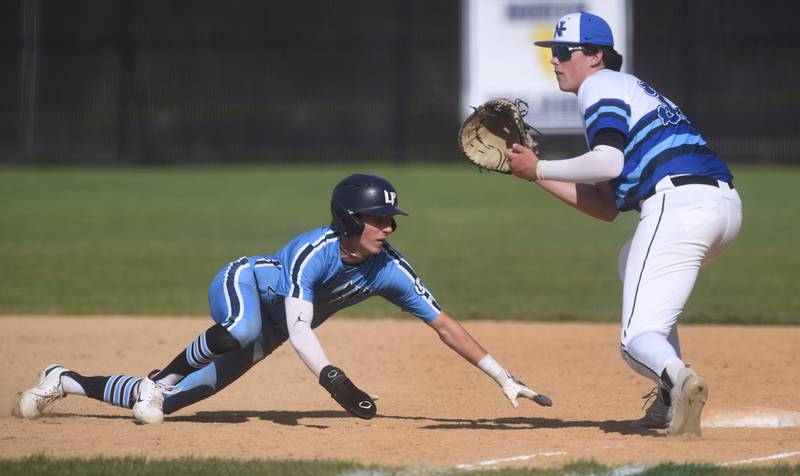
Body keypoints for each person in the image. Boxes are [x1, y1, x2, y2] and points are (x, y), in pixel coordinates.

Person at [17, 173, 552, 424]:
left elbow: (444, 325)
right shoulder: (311, 253)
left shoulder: (388, 270)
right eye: (379, 218)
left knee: (162, 407)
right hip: (243, 286)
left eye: (391, 219)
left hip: (273, 330)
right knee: (243, 329)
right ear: (348, 220)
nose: (389, 226)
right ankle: (165, 379)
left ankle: (63, 380)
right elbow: (301, 329)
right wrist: (332, 378)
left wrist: (503, 377)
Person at [504, 13, 742, 436]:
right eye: (552, 53)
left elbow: (608, 161)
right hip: (721, 208)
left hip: (678, 207)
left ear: (596, 56)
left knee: (635, 340)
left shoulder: (599, 85)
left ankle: (679, 380)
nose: (555, 62)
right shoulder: (627, 87)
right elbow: (606, 206)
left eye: (564, 52)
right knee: (629, 260)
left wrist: (540, 167)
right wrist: (535, 176)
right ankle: (671, 400)